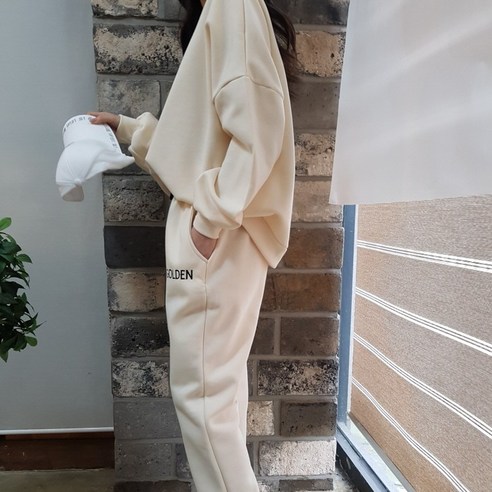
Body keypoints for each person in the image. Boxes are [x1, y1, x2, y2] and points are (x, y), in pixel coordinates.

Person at [90, 0, 298, 489]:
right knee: (217, 398)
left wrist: (210, 223)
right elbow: (204, 141)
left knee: (204, 403)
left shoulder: (231, 4)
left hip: (216, 236)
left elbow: (258, 129)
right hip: (225, 235)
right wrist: (128, 129)